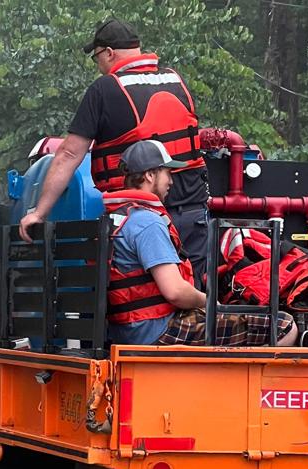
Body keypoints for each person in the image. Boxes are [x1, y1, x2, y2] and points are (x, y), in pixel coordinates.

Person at [19, 19, 209, 289]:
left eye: (97, 57)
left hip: (137, 217)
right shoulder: (175, 80)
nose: (98, 66)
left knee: (137, 298)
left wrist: (39, 212)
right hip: (191, 212)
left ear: (109, 53)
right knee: (193, 288)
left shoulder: (105, 89)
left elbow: (69, 154)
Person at [104, 140, 297, 346]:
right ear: (150, 175)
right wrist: (208, 302)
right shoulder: (147, 222)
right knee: (284, 325)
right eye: (167, 173)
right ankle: (225, 379)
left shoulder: (117, 217)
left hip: (127, 330)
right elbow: (175, 292)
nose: (171, 181)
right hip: (157, 330)